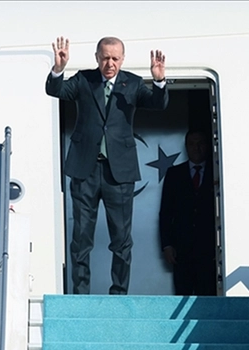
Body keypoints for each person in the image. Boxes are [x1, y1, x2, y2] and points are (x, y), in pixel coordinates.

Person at [46, 36, 169, 295]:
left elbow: (159, 104)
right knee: (81, 239)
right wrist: (58, 69)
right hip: (85, 170)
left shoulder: (133, 83)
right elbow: (56, 91)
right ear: (97, 58)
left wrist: (158, 81)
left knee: (121, 240)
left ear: (122, 59)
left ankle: (119, 295)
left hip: (119, 173)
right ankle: (81, 296)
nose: (109, 63)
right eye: (105, 58)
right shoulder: (84, 80)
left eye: (115, 58)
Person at [159, 130, 218, 296]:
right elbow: (166, 213)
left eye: (200, 143)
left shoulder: (217, 172)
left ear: (207, 146)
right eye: (192, 144)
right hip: (181, 249)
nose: (196, 148)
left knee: (207, 296)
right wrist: (167, 245)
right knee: (182, 294)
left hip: (209, 249)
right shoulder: (174, 174)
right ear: (186, 146)